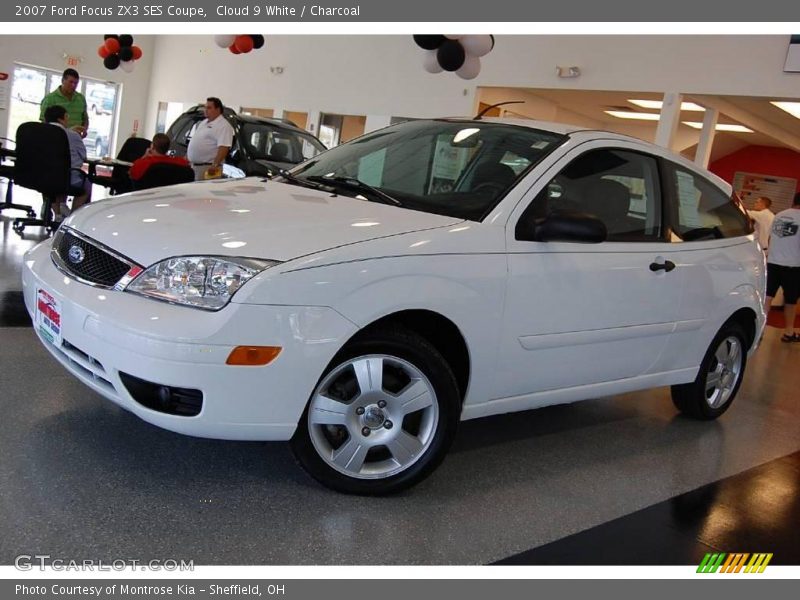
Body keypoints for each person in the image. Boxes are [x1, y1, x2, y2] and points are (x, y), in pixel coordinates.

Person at [43, 105, 91, 221]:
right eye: (66, 117)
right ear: (62, 118)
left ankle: (57, 214)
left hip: (40, 176)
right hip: (66, 178)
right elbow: (83, 156)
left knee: (50, 182)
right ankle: (72, 219)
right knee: (87, 184)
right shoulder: (72, 135)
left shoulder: (37, 133)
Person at [765, 193, 800, 342]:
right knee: (791, 301)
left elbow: (770, 238)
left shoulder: (779, 215)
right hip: (793, 266)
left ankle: (759, 331)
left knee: (767, 298)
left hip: (773, 263)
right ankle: (789, 332)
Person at [186, 97, 234, 180]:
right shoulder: (204, 122)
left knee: (203, 192)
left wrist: (215, 165)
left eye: (209, 108)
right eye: (205, 107)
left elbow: (224, 147)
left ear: (218, 109)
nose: (205, 110)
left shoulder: (224, 126)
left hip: (209, 168)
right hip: (194, 167)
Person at [39, 68, 89, 138]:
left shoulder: (81, 98)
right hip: (56, 139)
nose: (73, 85)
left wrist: (84, 129)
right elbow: (44, 124)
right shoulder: (50, 99)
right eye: (71, 82)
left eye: (76, 83)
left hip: (76, 139)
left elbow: (85, 118)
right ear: (62, 81)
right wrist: (67, 132)